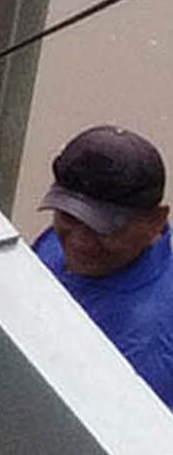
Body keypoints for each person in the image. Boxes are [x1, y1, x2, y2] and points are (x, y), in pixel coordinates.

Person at [42, 126, 173, 402]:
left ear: (155, 222)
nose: (79, 241)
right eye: (70, 216)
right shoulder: (53, 242)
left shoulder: (148, 348)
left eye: (102, 228)